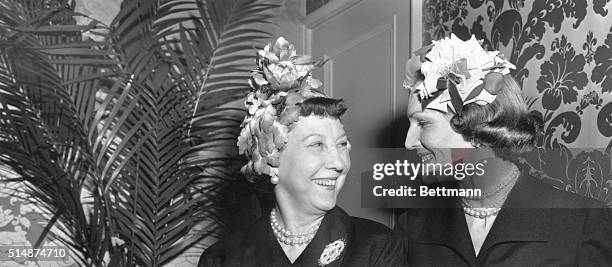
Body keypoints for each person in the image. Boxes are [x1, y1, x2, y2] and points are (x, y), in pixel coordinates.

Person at [395, 34, 612, 265]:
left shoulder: (583, 221)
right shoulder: (412, 226)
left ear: (476, 124)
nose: (408, 142)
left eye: (423, 123)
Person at [199, 37, 405, 266]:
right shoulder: (221, 258)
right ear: (272, 160)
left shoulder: (378, 246)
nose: (339, 163)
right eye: (317, 145)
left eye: (342, 144)